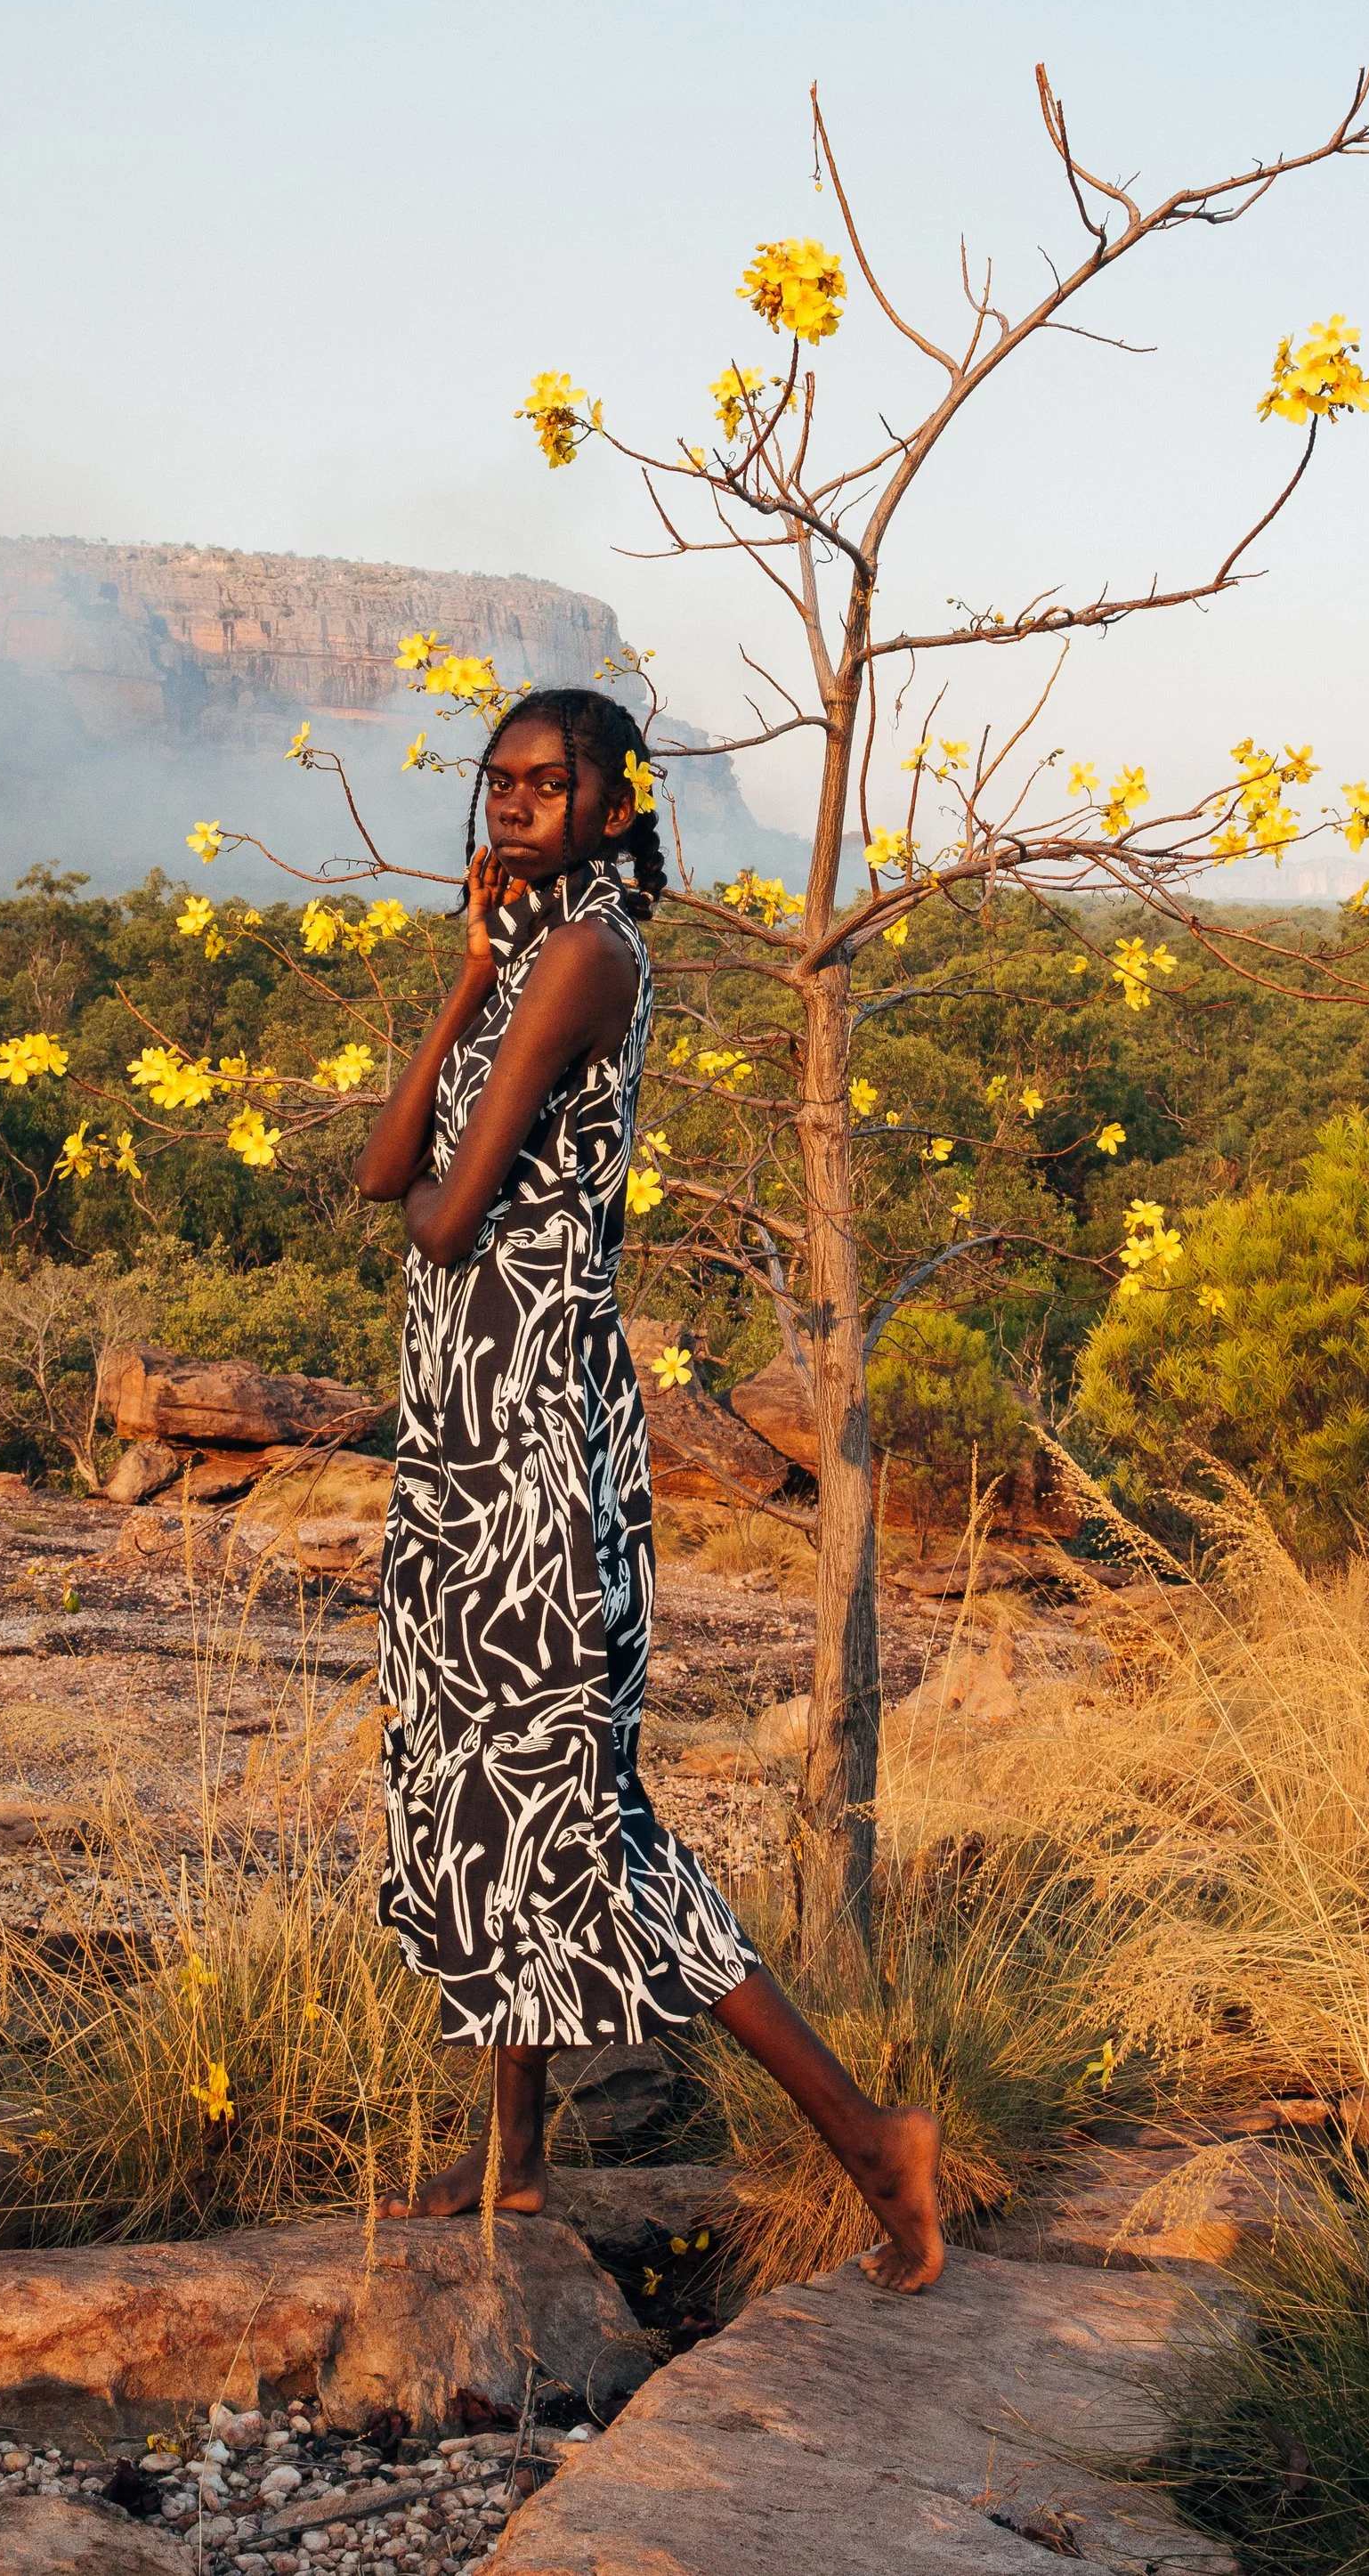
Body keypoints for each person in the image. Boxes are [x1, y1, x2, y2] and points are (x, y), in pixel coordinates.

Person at [353, 686, 944, 2292]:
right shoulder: (527, 956)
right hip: (473, 1420)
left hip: (535, 1421)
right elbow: (372, 1166)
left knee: (584, 1817)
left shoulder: (593, 958)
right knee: (492, 1787)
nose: (517, 803)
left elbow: (437, 1214)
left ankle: (868, 2137)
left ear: (618, 803)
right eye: (502, 781)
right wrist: (466, 967)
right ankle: (518, 2166)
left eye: (552, 783)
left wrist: (490, 1027)